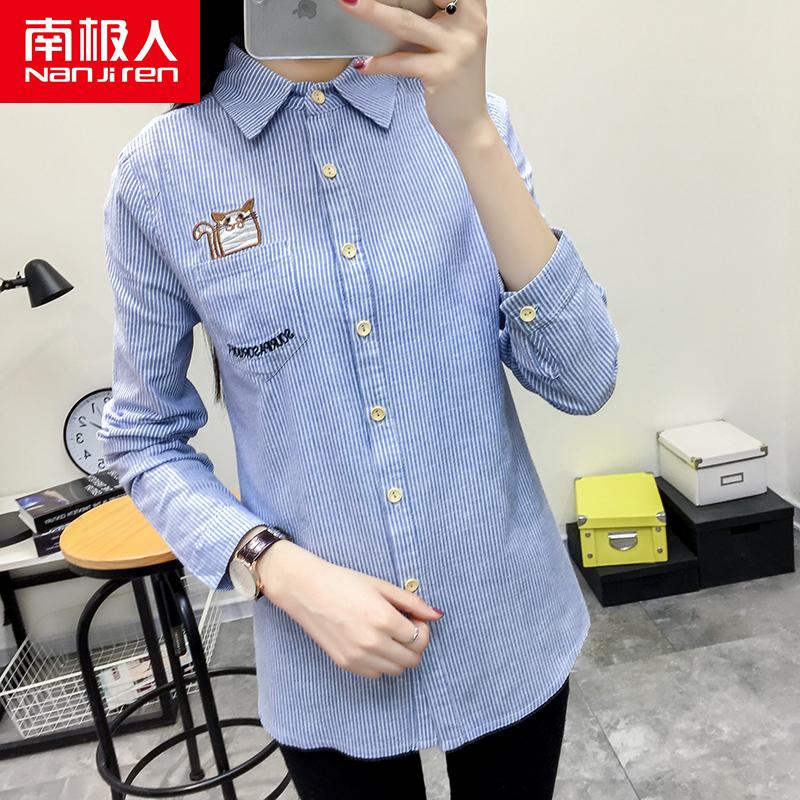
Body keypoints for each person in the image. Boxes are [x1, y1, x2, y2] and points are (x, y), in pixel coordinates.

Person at [97, 0, 620, 797]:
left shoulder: (471, 122)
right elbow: (143, 438)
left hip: (509, 622)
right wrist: (275, 567)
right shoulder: (160, 173)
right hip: (322, 663)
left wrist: (473, 135)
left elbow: (584, 378)